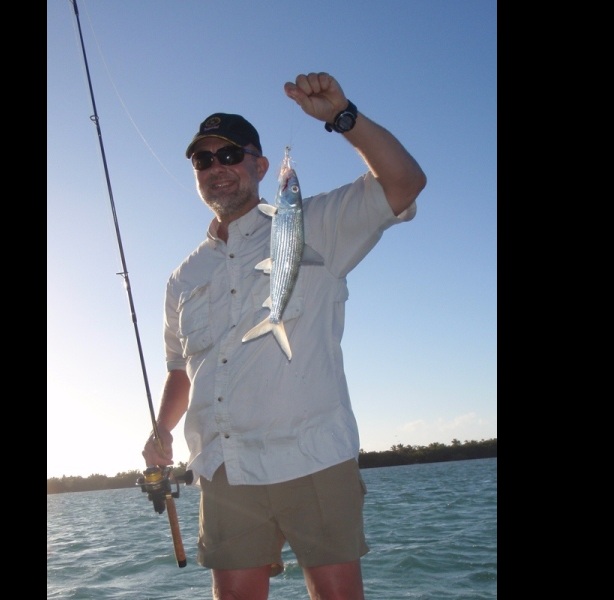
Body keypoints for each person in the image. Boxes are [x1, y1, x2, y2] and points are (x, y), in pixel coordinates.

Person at [142, 71, 427, 600]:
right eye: (203, 160)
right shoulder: (183, 277)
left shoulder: (315, 222)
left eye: (229, 155)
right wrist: (161, 430)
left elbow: (404, 183)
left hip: (313, 453)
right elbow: (181, 369)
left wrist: (345, 120)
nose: (216, 169)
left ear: (261, 165)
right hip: (224, 466)